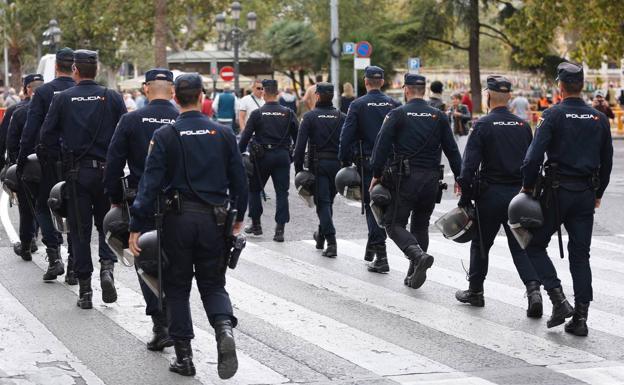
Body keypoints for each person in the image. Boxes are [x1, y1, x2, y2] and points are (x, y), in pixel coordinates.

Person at [128, 73, 247, 379]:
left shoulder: (166, 135)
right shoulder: (222, 134)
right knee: (213, 284)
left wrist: (136, 226)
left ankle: (185, 358)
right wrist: (237, 219)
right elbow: (241, 182)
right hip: (215, 220)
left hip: (177, 220)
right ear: (202, 96)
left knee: (177, 288)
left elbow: (149, 184)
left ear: (176, 98)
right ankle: (223, 329)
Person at [521, 62, 613, 336]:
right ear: (582, 86)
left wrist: (527, 187)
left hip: (556, 194)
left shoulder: (552, 115)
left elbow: (533, 157)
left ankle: (558, 299)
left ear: (559, 87)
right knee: (580, 256)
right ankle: (581, 319)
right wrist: (598, 193)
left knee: (534, 245)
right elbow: (606, 162)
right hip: (585, 194)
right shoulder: (600, 118)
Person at [39, 49, 127, 308]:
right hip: (107, 172)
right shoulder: (111, 97)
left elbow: (46, 136)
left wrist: (61, 158)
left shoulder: (64, 98)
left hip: (77, 173)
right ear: (96, 71)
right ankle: (107, 269)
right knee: (107, 226)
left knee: (79, 231)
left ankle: (86, 291)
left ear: (75, 70)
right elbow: (124, 136)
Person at [455, 76, 542, 316]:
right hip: (518, 196)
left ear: (488, 96)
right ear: (510, 97)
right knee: (521, 246)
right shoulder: (523, 126)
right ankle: (534, 291)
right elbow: (533, 161)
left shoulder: (483, 125)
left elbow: (469, 166)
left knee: (481, 244)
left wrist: (466, 194)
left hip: (490, 194)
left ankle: (475, 291)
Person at [105, 68, 178, 350]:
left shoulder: (131, 119)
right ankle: (177, 323)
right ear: (171, 90)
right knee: (177, 262)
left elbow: (113, 164)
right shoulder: (181, 119)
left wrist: (113, 198)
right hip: (179, 203)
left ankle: (161, 325)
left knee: (146, 259)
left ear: (146, 89)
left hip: (143, 201)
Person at [370, 73, 461, 287]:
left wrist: (376, 174)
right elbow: (452, 150)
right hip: (431, 180)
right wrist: (460, 178)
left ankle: (417, 257)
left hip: (404, 180)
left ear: (406, 90)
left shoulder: (397, 114)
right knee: (420, 225)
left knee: (393, 224)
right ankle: (413, 273)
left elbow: (381, 147)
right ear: (424, 90)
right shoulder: (438, 116)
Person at [17, 47, 76, 284]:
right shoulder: (84, 91)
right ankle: (74, 264)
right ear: (74, 67)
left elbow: (30, 130)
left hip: (50, 160)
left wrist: (21, 160)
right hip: (78, 160)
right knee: (76, 211)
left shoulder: (43, 93)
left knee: (43, 206)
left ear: (55, 67)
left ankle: (54, 256)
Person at [338, 65, 401, 272]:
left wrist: (344, 161)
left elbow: (346, 136)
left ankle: (381, 256)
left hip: (367, 163)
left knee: (373, 207)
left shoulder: (357, 105)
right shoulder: (394, 104)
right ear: (382, 82)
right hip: (392, 163)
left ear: (365, 82)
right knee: (387, 205)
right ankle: (375, 249)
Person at [239, 79, 299, 242]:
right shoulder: (288, 113)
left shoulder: (257, 113)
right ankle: (279, 230)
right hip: (282, 156)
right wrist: (292, 157)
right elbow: (298, 138)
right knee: (282, 193)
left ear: (264, 93)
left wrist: (237, 155)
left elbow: (244, 137)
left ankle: (256, 225)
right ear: (277, 94)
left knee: (254, 190)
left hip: (261, 157)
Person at [293, 83, 345, 257]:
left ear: (317, 96)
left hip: (318, 165)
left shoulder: (309, 117)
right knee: (328, 202)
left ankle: (331, 242)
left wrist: (298, 170)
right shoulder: (341, 116)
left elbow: (299, 147)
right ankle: (321, 237)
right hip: (337, 166)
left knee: (322, 204)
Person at [5, 74, 44, 262]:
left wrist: (12, 167)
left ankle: (27, 244)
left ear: (28, 88)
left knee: (27, 207)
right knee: (44, 205)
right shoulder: (54, 108)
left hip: (26, 166)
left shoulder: (16, 111)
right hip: (51, 166)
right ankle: (52, 252)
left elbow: (9, 142)